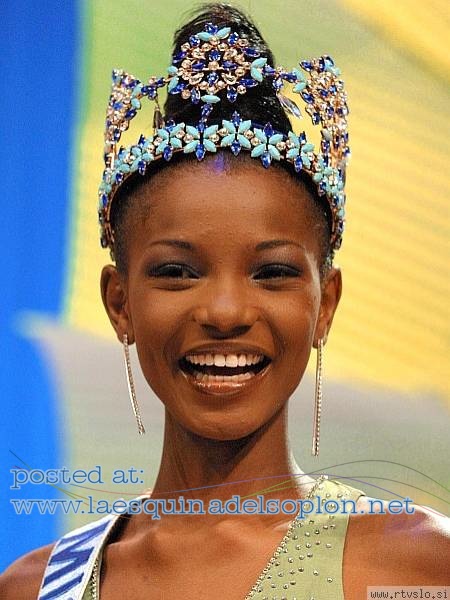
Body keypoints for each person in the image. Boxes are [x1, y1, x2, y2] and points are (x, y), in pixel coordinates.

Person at [1, 4, 449, 599]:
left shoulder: (419, 568)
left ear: (325, 306)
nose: (225, 312)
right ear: (119, 303)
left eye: (272, 273)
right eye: (177, 272)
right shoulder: (35, 588)